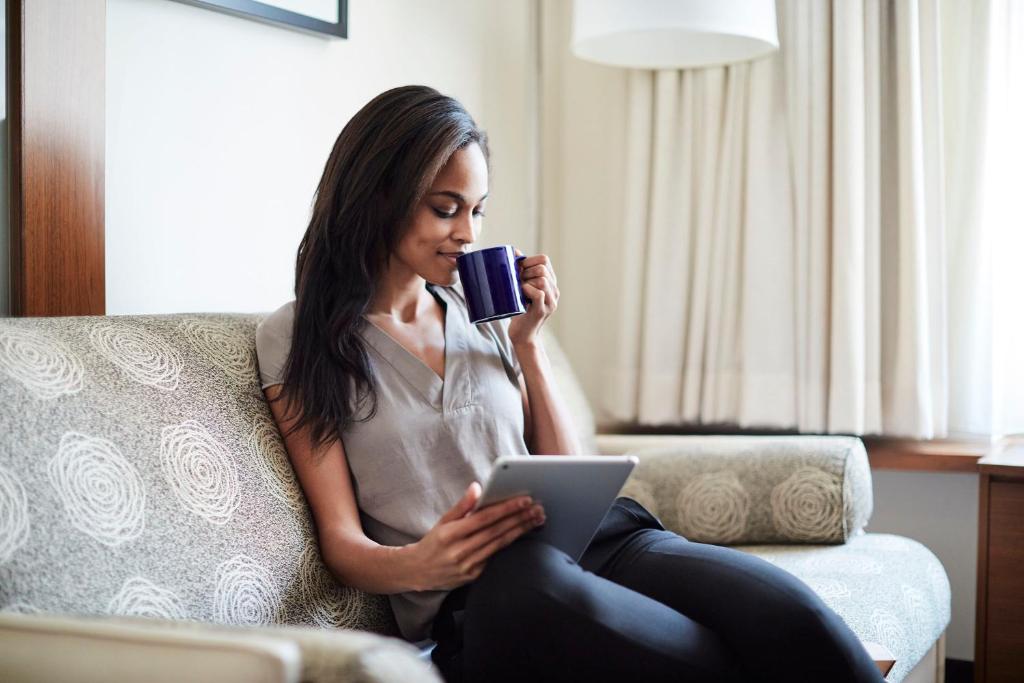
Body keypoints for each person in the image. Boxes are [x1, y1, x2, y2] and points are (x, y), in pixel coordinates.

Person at [255, 85, 885, 683]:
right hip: (485, 600)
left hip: (597, 543)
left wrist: (528, 342)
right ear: (377, 195)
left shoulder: (480, 307)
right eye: (445, 209)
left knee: (798, 621)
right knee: (668, 640)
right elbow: (341, 542)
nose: (469, 233)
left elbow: (564, 471)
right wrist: (422, 563)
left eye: (476, 210)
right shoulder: (297, 338)